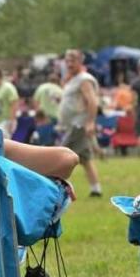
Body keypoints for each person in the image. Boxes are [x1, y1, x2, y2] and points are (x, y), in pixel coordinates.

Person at [58, 49, 102, 196]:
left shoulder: (84, 80)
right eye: (67, 61)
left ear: (80, 62)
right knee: (85, 159)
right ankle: (96, 189)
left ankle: (56, 189)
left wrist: (90, 122)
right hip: (73, 125)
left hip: (79, 125)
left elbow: (92, 102)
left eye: (73, 61)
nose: (69, 64)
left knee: (59, 156)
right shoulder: (73, 79)